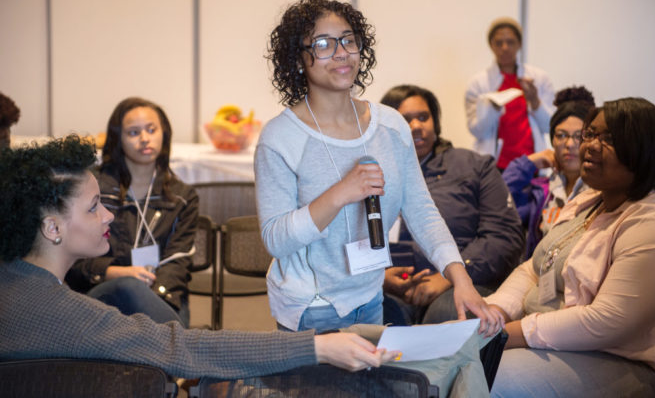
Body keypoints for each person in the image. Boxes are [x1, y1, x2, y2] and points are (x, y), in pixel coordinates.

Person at [0, 135, 398, 378]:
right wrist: (320, 347)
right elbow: (181, 349)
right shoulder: (64, 313)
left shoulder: (20, 285)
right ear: (51, 229)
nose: (107, 215)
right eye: (92, 208)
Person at [256, 0, 501, 335]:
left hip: (370, 298)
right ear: (298, 59)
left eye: (348, 41)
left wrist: (460, 278)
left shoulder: (390, 125)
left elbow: (421, 209)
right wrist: (341, 193)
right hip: (310, 307)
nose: (341, 52)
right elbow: (276, 239)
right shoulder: (281, 137)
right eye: (324, 44)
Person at [485, 97, 655, 397]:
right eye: (591, 134)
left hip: (623, 360)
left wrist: (508, 334)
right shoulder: (590, 200)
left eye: (609, 139)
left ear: (645, 151)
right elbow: (534, 268)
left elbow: (608, 320)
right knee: (466, 359)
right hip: (556, 342)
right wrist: (493, 313)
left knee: (490, 376)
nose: (591, 146)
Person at [379, 84, 524, 325]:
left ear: (435, 121)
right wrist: (379, 278)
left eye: (423, 117)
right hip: (392, 289)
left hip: (463, 283)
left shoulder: (475, 166)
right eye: (405, 120)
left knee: (447, 317)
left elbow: (504, 237)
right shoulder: (371, 172)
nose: (416, 126)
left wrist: (450, 276)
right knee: (374, 317)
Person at [66, 97, 196, 327]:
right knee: (129, 293)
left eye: (151, 129)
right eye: (134, 132)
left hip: (162, 294)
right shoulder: (93, 188)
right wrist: (113, 272)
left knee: (168, 335)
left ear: (163, 133)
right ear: (119, 140)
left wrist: (151, 295)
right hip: (99, 291)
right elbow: (71, 256)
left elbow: (179, 261)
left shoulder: (182, 197)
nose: (145, 138)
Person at [502, 86, 595, 259]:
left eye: (578, 136)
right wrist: (530, 162)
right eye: (561, 135)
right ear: (552, 139)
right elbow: (501, 199)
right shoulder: (541, 191)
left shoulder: (601, 190)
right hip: (537, 275)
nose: (569, 144)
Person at [465, 17, 554, 170]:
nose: (505, 47)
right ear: (491, 45)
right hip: (494, 166)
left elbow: (549, 127)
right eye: (499, 43)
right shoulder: (478, 83)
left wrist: (534, 100)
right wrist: (492, 107)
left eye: (510, 42)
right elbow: (477, 130)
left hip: (532, 163)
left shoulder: (538, 79)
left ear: (519, 44)